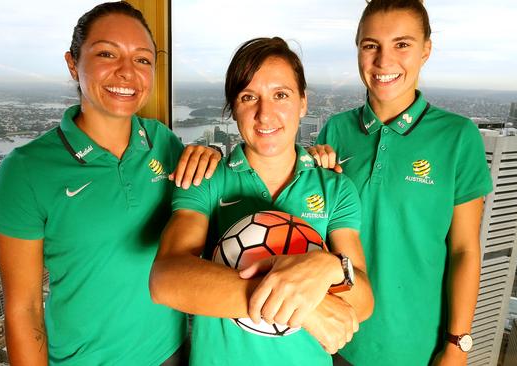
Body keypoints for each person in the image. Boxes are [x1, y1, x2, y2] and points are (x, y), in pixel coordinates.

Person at [0, 2, 221, 365]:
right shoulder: (26, 171)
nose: (127, 72)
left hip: (174, 353)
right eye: (107, 54)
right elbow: (24, 309)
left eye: (142, 60)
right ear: (72, 64)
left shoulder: (164, 142)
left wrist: (314, 163)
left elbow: (217, 199)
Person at [149, 37, 374, 366]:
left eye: (280, 95)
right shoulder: (206, 179)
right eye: (248, 97)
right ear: (233, 108)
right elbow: (166, 278)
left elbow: (363, 301)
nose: (264, 114)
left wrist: (327, 266)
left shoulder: (335, 188)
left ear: (303, 102)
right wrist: (304, 306)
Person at [310, 1, 493, 365]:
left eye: (402, 44)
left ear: (426, 49)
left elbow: (464, 251)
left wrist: (458, 346)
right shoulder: (335, 130)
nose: (383, 61)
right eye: (371, 45)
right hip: (332, 336)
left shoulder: (458, 137)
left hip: (414, 348)